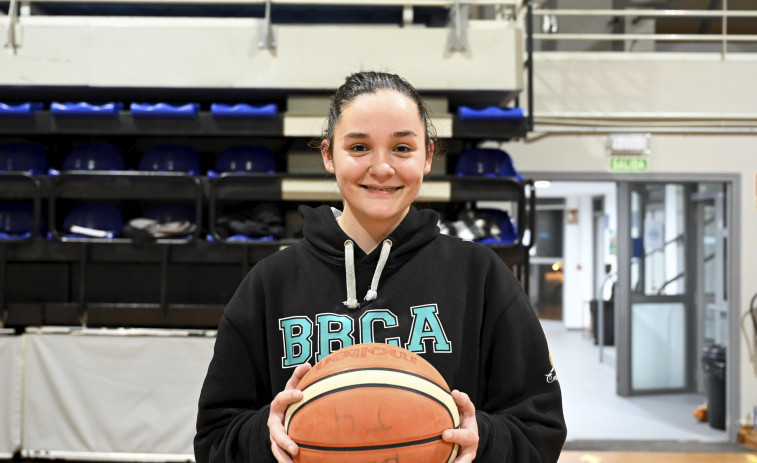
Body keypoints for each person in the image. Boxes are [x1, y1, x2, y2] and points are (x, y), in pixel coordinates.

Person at [194, 71, 567, 463]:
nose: (382, 167)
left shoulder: (481, 276)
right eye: (359, 147)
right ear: (327, 155)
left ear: (427, 156)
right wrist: (262, 437)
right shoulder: (269, 284)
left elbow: (539, 427)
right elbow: (215, 437)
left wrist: (485, 440)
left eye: (402, 147)